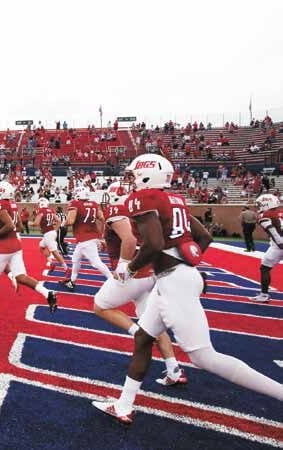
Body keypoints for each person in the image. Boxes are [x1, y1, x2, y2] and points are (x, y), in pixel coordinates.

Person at [93, 154, 283, 425]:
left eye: (134, 174)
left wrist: (131, 268)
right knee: (144, 339)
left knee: (205, 357)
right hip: (176, 277)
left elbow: (154, 244)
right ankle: (124, 405)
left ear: (146, 175)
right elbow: (204, 237)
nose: (131, 179)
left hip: (173, 280)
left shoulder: (143, 198)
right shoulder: (175, 199)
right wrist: (186, 267)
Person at [94, 181, 186, 386]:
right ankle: (174, 369)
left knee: (100, 306)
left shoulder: (116, 208)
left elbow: (129, 240)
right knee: (152, 320)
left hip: (133, 274)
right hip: (149, 273)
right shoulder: (139, 208)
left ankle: (139, 334)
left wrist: (124, 266)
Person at [0, 181, 58, 314]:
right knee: (21, 276)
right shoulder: (13, 205)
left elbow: (10, 225)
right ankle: (47, 293)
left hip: (3, 246)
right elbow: (19, 227)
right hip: (16, 245)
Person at [63, 186, 113, 291]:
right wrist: (102, 237)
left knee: (96, 262)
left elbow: (70, 221)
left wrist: (63, 222)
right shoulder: (94, 204)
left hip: (84, 239)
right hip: (94, 237)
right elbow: (102, 218)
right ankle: (72, 281)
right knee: (75, 259)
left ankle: (113, 281)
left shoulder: (76, 204)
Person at [251, 194, 283, 303]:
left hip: (279, 244)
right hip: (277, 245)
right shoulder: (279, 212)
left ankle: (264, 295)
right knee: (265, 267)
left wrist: (280, 244)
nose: (258, 206)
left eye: (260, 204)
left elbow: (274, 234)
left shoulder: (265, 215)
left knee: (265, 268)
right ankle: (263, 294)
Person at [32, 197, 68, 273]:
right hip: (51, 233)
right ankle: (51, 263)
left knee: (55, 252)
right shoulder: (50, 210)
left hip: (48, 234)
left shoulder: (41, 211)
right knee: (42, 246)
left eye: (39, 204)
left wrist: (29, 223)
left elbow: (36, 223)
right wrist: (55, 230)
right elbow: (58, 221)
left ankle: (66, 268)